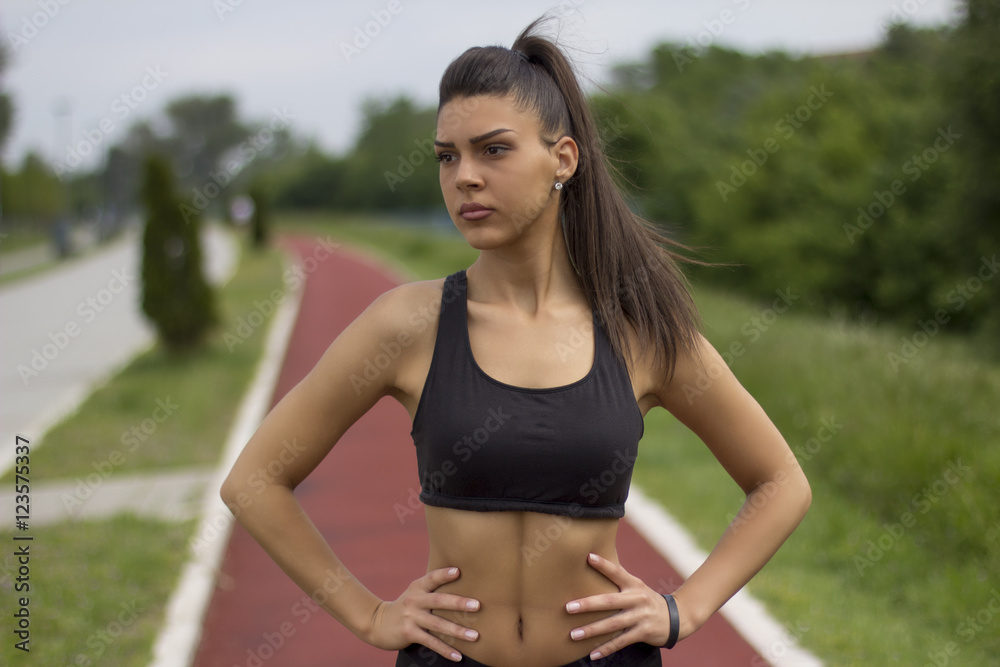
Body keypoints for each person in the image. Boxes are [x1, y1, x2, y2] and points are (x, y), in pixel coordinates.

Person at [220, 16, 811, 667]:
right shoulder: (406, 324)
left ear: (562, 159)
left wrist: (683, 608)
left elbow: (780, 481)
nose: (464, 176)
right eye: (448, 156)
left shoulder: (641, 328)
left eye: (493, 150)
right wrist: (370, 613)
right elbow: (254, 480)